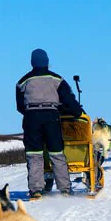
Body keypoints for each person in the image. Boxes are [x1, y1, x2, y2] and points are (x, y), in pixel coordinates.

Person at [16, 48, 84, 199]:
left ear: (32, 62)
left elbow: (20, 106)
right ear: (47, 62)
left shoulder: (22, 81)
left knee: (34, 154)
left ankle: (36, 190)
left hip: (31, 118)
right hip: (51, 117)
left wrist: (31, 113)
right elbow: (68, 99)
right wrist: (77, 112)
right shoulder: (57, 79)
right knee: (56, 153)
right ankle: (65, 189)